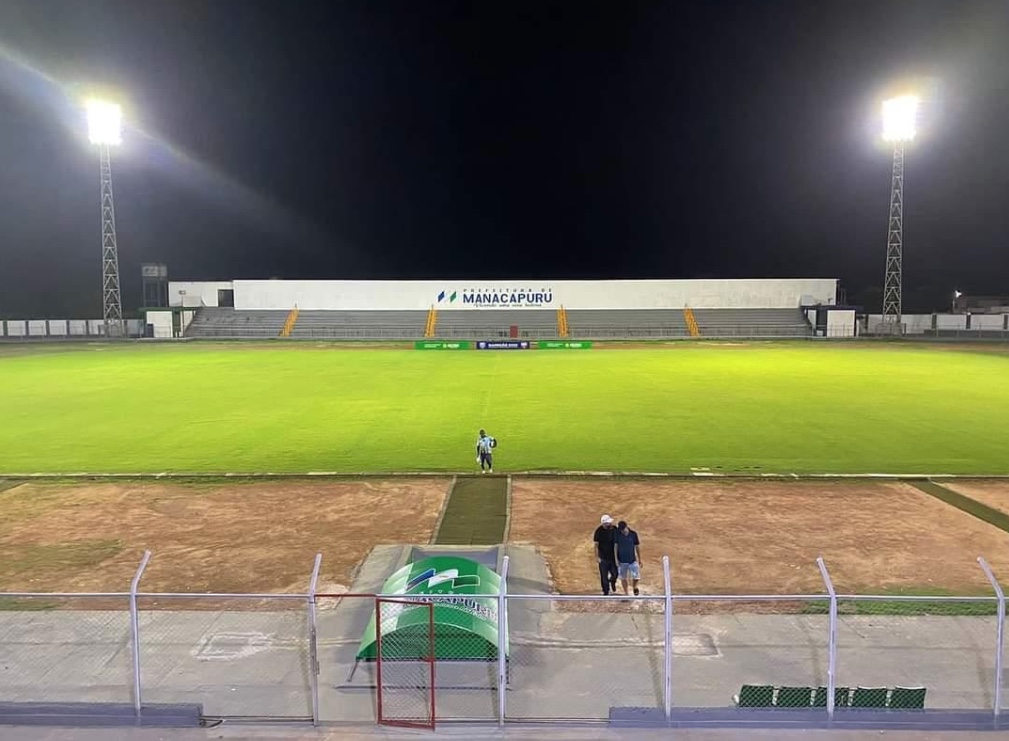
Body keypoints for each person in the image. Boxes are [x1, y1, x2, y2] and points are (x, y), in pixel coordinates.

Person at [592, 514, 619, 595]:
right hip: (603, 558)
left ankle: (612, 581)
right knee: (604, 576)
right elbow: (596, 545)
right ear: (604, 524)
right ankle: (606, 591)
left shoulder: (615, 529)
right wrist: (597, 557)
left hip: (613, 557)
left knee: (615, 574)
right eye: (608, 523)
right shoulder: (598, 531)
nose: (610, 524)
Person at [614, 520, 641, 597]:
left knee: (636, 576)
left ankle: (634, 586)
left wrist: (639, 559)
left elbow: (637, 547)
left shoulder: (633, 534)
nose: (622, 531)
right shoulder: (618, 535)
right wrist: (616, 559)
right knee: (623, 577)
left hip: (632, 560)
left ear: (626, 527)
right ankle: (626, 592)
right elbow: (615, 547)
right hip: (622, 561)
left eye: (623, 529)